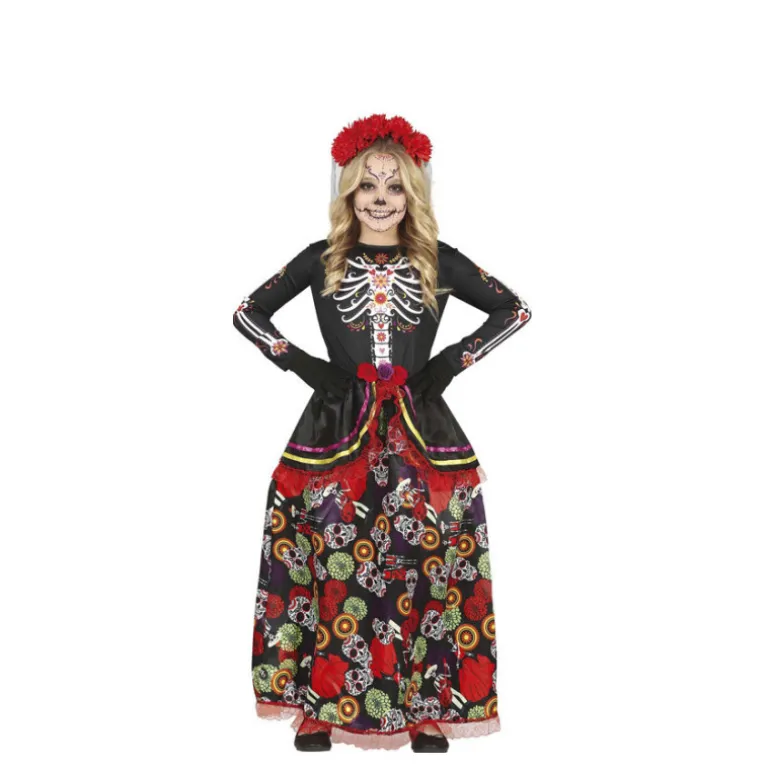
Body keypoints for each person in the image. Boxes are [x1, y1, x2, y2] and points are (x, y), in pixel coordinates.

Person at [233, 113, 532, 752]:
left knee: (426, 563)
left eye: (394, 187)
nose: (379, 198)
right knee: (324, 557)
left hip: (421, 432)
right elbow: (247, 313)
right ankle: (319, 706)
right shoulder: (321, 260)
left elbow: (515, 309)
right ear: (348, 191)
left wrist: (450, 362)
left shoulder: (437, 261)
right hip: (333, 429)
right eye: (367, 185)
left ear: (412, 193)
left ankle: (425, 707)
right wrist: (304, 365)